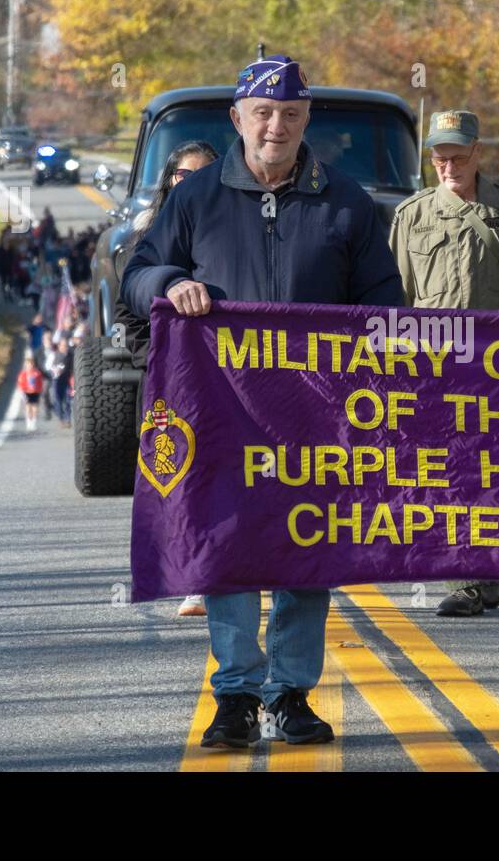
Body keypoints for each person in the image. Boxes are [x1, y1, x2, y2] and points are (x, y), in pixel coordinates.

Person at [122, 53, 403, 748]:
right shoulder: (196, 199)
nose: (276, 126)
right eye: (263, 113)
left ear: (307, 120)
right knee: (231, 550)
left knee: (308, 551)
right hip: (224, 414)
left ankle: (293, 694)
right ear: (238, 119)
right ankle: (237, 695)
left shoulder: (345, 201)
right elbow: (135, 276)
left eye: (290, 115)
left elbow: (384, 304)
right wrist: (168, 281)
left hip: (317, 414)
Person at [390, 109, 499, 618]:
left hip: (497, 371)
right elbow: (392, 307)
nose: (448, 166)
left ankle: (487, 567)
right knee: (446, 473)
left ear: (478, 151)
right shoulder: (411, 216)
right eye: (439, 158)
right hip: (433, 371)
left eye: (458, 155)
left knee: (492, 473)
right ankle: (462, 574)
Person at [111, 140, 221, 618]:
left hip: (230, 384)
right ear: (170, 180)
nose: (192, 183)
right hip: (173, 388)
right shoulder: (146, 241)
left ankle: (241, 569)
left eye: (204, 174)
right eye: (184, 175)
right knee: (180, 478)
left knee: (228, 478)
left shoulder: (230, 233)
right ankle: (195, 581)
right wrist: (162, 361)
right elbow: (127, 318)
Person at [47, 337, 73, 427]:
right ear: (59, 346)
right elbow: (48, 367)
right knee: (58, 400)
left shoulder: (70, 355)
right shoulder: (54, 355)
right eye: (64, 345)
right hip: (57, 381)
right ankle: (61, 419)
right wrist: (55, 371)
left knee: (68, 400)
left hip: (67, 380)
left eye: (67, 345)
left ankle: (68, 420)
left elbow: (73, 367)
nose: (66, 347)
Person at [17, 354, 45, 431]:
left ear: (33, 365)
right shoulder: (23, 374)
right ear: (25, 365)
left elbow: (40, 382)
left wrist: (40, 390)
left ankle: (34, 422)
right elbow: (20, 383)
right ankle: (28, 422)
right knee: (28, 407)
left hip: (35, 392)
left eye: (31, 364)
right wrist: (22, 391)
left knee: (35, 408)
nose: (30, 366)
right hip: (26, 392)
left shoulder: (37, 373)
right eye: (28, 365)